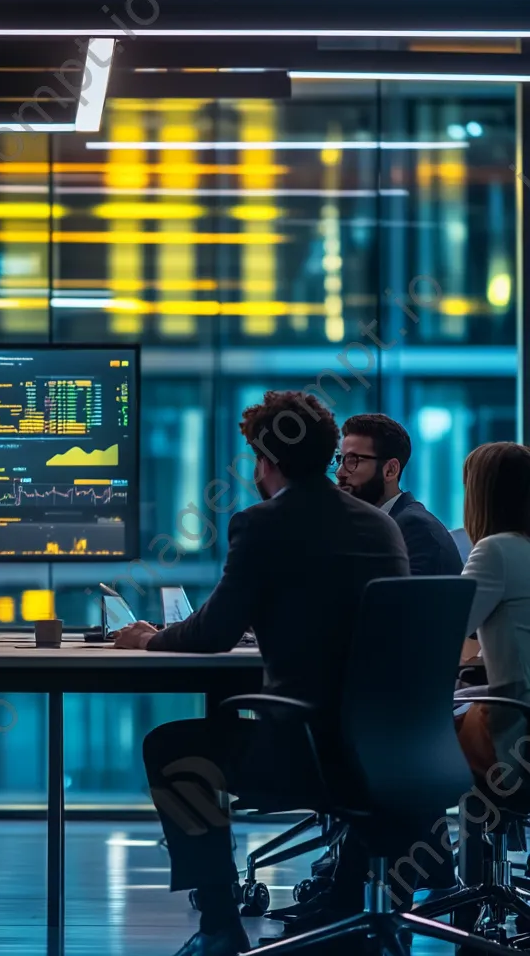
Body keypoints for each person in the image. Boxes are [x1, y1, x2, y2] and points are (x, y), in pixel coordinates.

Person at [114, 390, 412, 956]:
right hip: (394, 746)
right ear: (326, 456)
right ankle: (340, 909)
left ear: (265, 461)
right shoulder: (381, 526)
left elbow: (212, 634)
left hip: (312, 751)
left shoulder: (261, 523)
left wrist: (152, 637)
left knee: (173, 747)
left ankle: (219, 926)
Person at [455, 442, 530, 780]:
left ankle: (414, 831)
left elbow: (448, 629)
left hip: (517, 729)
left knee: (412, 729)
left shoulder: (494, 550)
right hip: (520, 709)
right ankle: (488, 831)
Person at [335, 413, 462, 576]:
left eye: (353, 460)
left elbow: (398, 601)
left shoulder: (415, 528)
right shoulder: (375, 525)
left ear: (390, 470)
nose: (340, 472)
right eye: (340, 459)